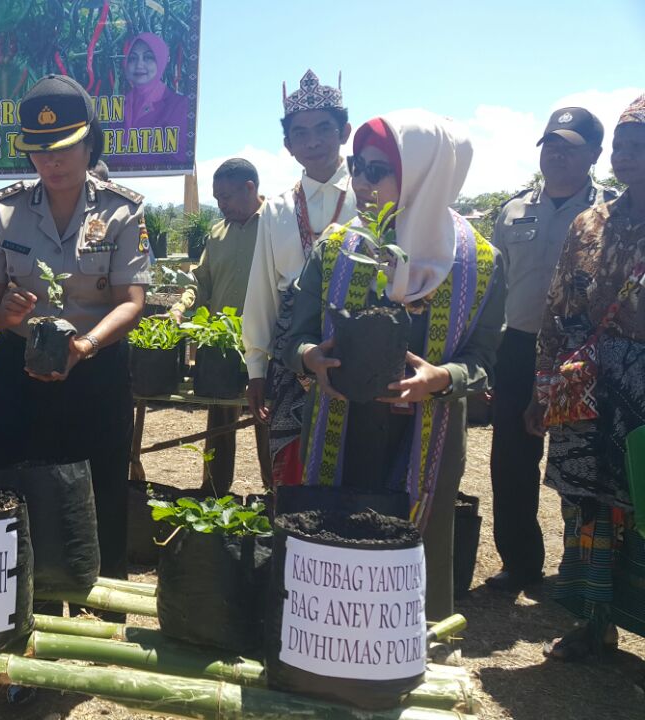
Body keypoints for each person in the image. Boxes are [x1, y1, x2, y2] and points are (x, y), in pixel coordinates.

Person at [284, 110, 505, 619]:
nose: (359, 181)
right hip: (345, 425)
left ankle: (407, 659)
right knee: (336, 544)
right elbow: (294, 336)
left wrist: (442, 378)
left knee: (415, 555)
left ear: (424, 175)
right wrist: (311, 360)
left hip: (430, 431)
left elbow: (484, 358)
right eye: (356, 166)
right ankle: (328, 654)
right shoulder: (339, 249)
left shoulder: (480, 262)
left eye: (376, 170)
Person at [0, 74, 150, 593]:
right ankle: (26, 598)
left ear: (90, 142)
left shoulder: (122, 209)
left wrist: (85, 346)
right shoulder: (2, 210)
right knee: (18, 482)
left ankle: (107, 602)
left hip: (96, 366)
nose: (52, 160)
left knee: (104, 484)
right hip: (20, 369)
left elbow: (131, 303)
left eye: (66, 146)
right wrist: (3, 315)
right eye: (39, 150)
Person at [530, 94, 645, 661]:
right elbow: (555, 309)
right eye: (621, 145)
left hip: (643, 395)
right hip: (585, 388)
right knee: (584, 506)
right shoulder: (589, 221)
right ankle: (593, 620)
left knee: (642, 510)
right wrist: (542, 386)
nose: (626, 154)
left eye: (638, 144)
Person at [487, 107, 616, 593]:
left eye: (570, 146)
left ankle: (577, 570)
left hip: (581, 354)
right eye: (550, 145)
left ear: (595, 155)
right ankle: (520, 562)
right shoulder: (514, 210)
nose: (557, 154)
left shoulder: (611, 212)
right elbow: (494, 288)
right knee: (511, 461)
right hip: (518, 347)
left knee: (576, 464)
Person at [243, 70, 356, 488]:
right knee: (293, 468)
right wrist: (256, 365)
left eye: (324, 128)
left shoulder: (373, 197)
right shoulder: (275, 210)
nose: (314, 141)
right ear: (288, 145)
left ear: (344, 131)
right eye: (301, 133)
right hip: (293, 354)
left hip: (360, 339)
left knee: (359, 463)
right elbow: (261, 293)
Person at [169, 158, 271, 491]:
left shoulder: (277, 224)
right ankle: (213, 494)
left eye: (226, 197)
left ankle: (275, 499)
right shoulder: (217, 232)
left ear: (250, 188)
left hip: (265, 345)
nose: (220, 204)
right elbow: (202, 283)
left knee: (267, 422)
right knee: (219, 424)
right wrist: (180, 308)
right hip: (222, 346)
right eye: (217, 198)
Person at [122, 32, 187, 134]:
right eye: (133, 58)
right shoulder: (120, 104)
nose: (139, 65)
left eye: (148, 57)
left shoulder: (179, 106)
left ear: (161, 61)